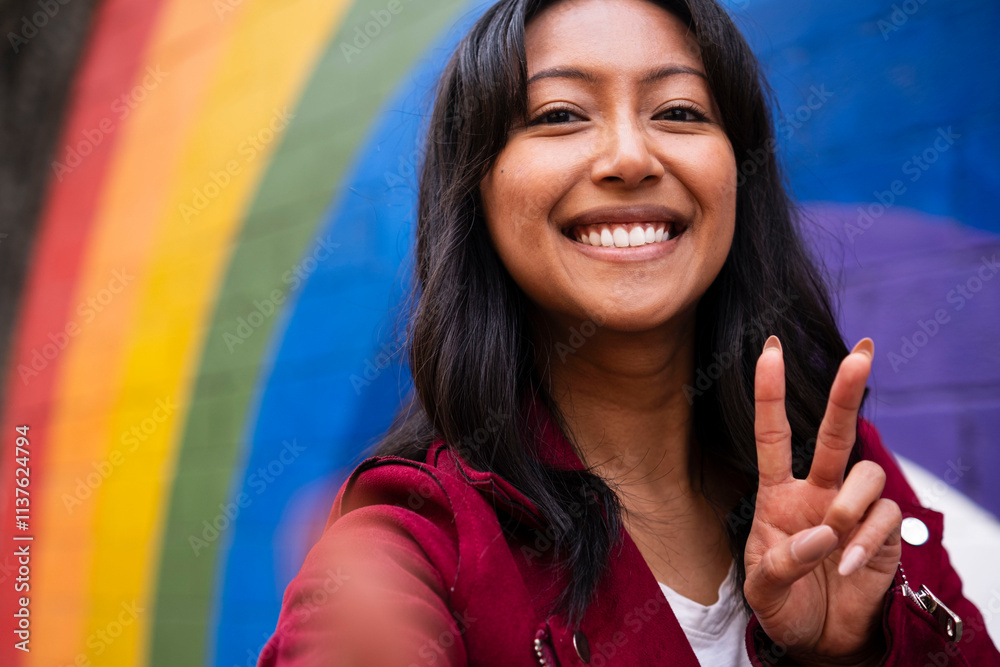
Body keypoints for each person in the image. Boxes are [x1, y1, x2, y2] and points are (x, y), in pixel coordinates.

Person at [258, 0, 1000, 664]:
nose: (629, 157)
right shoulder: (415, 540)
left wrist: (855, 654)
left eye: (678, 111)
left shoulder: (834, 478)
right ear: (477, 190)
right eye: (559, 114)